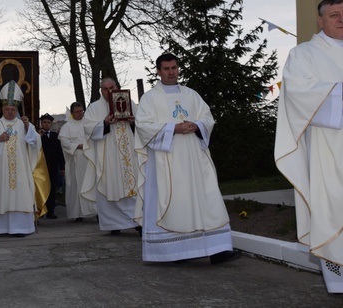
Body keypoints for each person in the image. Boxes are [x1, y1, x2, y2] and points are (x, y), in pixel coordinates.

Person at [275, 0, 343, 306]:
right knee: (341, 214)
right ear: (320, 20)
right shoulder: (303, 55)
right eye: (334, 15)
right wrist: (342, 90)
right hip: (332, 155)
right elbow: (295, 98)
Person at [134, 53, 240, 264]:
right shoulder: (149, 98)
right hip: (167, 160)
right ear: (158, 71)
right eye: (166, 69)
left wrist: (198, 125)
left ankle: (217, 249)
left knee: (206, 199)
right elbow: (143, 126)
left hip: (194, 160)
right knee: (174, 202)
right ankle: (175, 251)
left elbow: (207, 117)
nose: (171, 72)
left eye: (174, 67)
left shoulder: (191, 95)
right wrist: (174, 128)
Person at [0, 80, 40, 236]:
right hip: (1, 171)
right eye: (7, 109)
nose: (10, 112)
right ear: (2, 109)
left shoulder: (24, 124)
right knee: (3, 196)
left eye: (13, 109)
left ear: (17, 109)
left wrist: (28, 127)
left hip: (20, 170)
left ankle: (21, 228)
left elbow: (35, 143)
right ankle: (2, 229)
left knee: (20, 194)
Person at [82, 77, 139, 235]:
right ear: (101, 91)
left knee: (133, 185)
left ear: (117, 87)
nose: (109, 91)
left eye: (111, 87)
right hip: (107, 156)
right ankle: (114, 224)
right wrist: (104, 123)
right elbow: (88, 129)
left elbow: (142, 126)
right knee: (109, 185)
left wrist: (134, 122)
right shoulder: (94, 108)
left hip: (129, 153)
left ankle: (138, 222)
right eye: (105, 89)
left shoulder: (130, 103)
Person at [58, 102, 97, 222]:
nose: (80, 113)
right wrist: (77, 146)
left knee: (92, 184)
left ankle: (96, 212)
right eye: (77, 111)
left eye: (82, 111)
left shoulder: (88, 123)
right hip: (77, 159)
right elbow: (64, 142)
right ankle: (78, 212)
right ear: (72, 113)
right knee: (78, 185)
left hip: (90, 158)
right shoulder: (67, 127)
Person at [38, 113, 64, 219]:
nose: (46, 124)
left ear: (51, 124)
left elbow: (59, 153)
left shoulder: (55, 136)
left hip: (52, 167)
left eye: (48, 122)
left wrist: (62, 167)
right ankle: (40, 211)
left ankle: (51, 211)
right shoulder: (37, 135)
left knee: (52, 189)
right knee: (41, 188)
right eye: (44, 122)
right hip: (40, 167)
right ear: (41, 123)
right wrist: (38, 137)